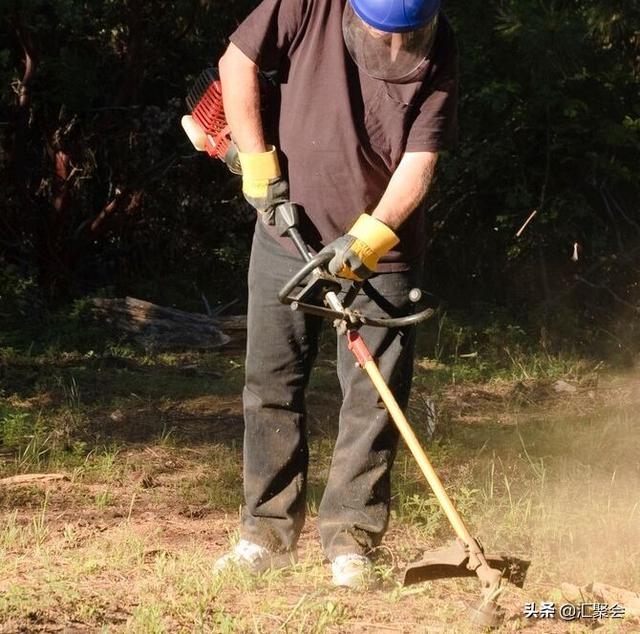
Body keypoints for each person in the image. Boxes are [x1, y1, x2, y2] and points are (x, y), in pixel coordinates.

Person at [213, 0, 458, 589]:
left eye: (410, 38)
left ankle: (351, 540)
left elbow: (421, 158)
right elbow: (237, 62)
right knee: (271, 384)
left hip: (382, 248)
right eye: (384, 36)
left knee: (374, 401)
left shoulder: (441, 40)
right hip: (286, 229)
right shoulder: (307, 4)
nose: (398, 51)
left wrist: (368, 239)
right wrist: (257, 165)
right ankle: (264, 533)